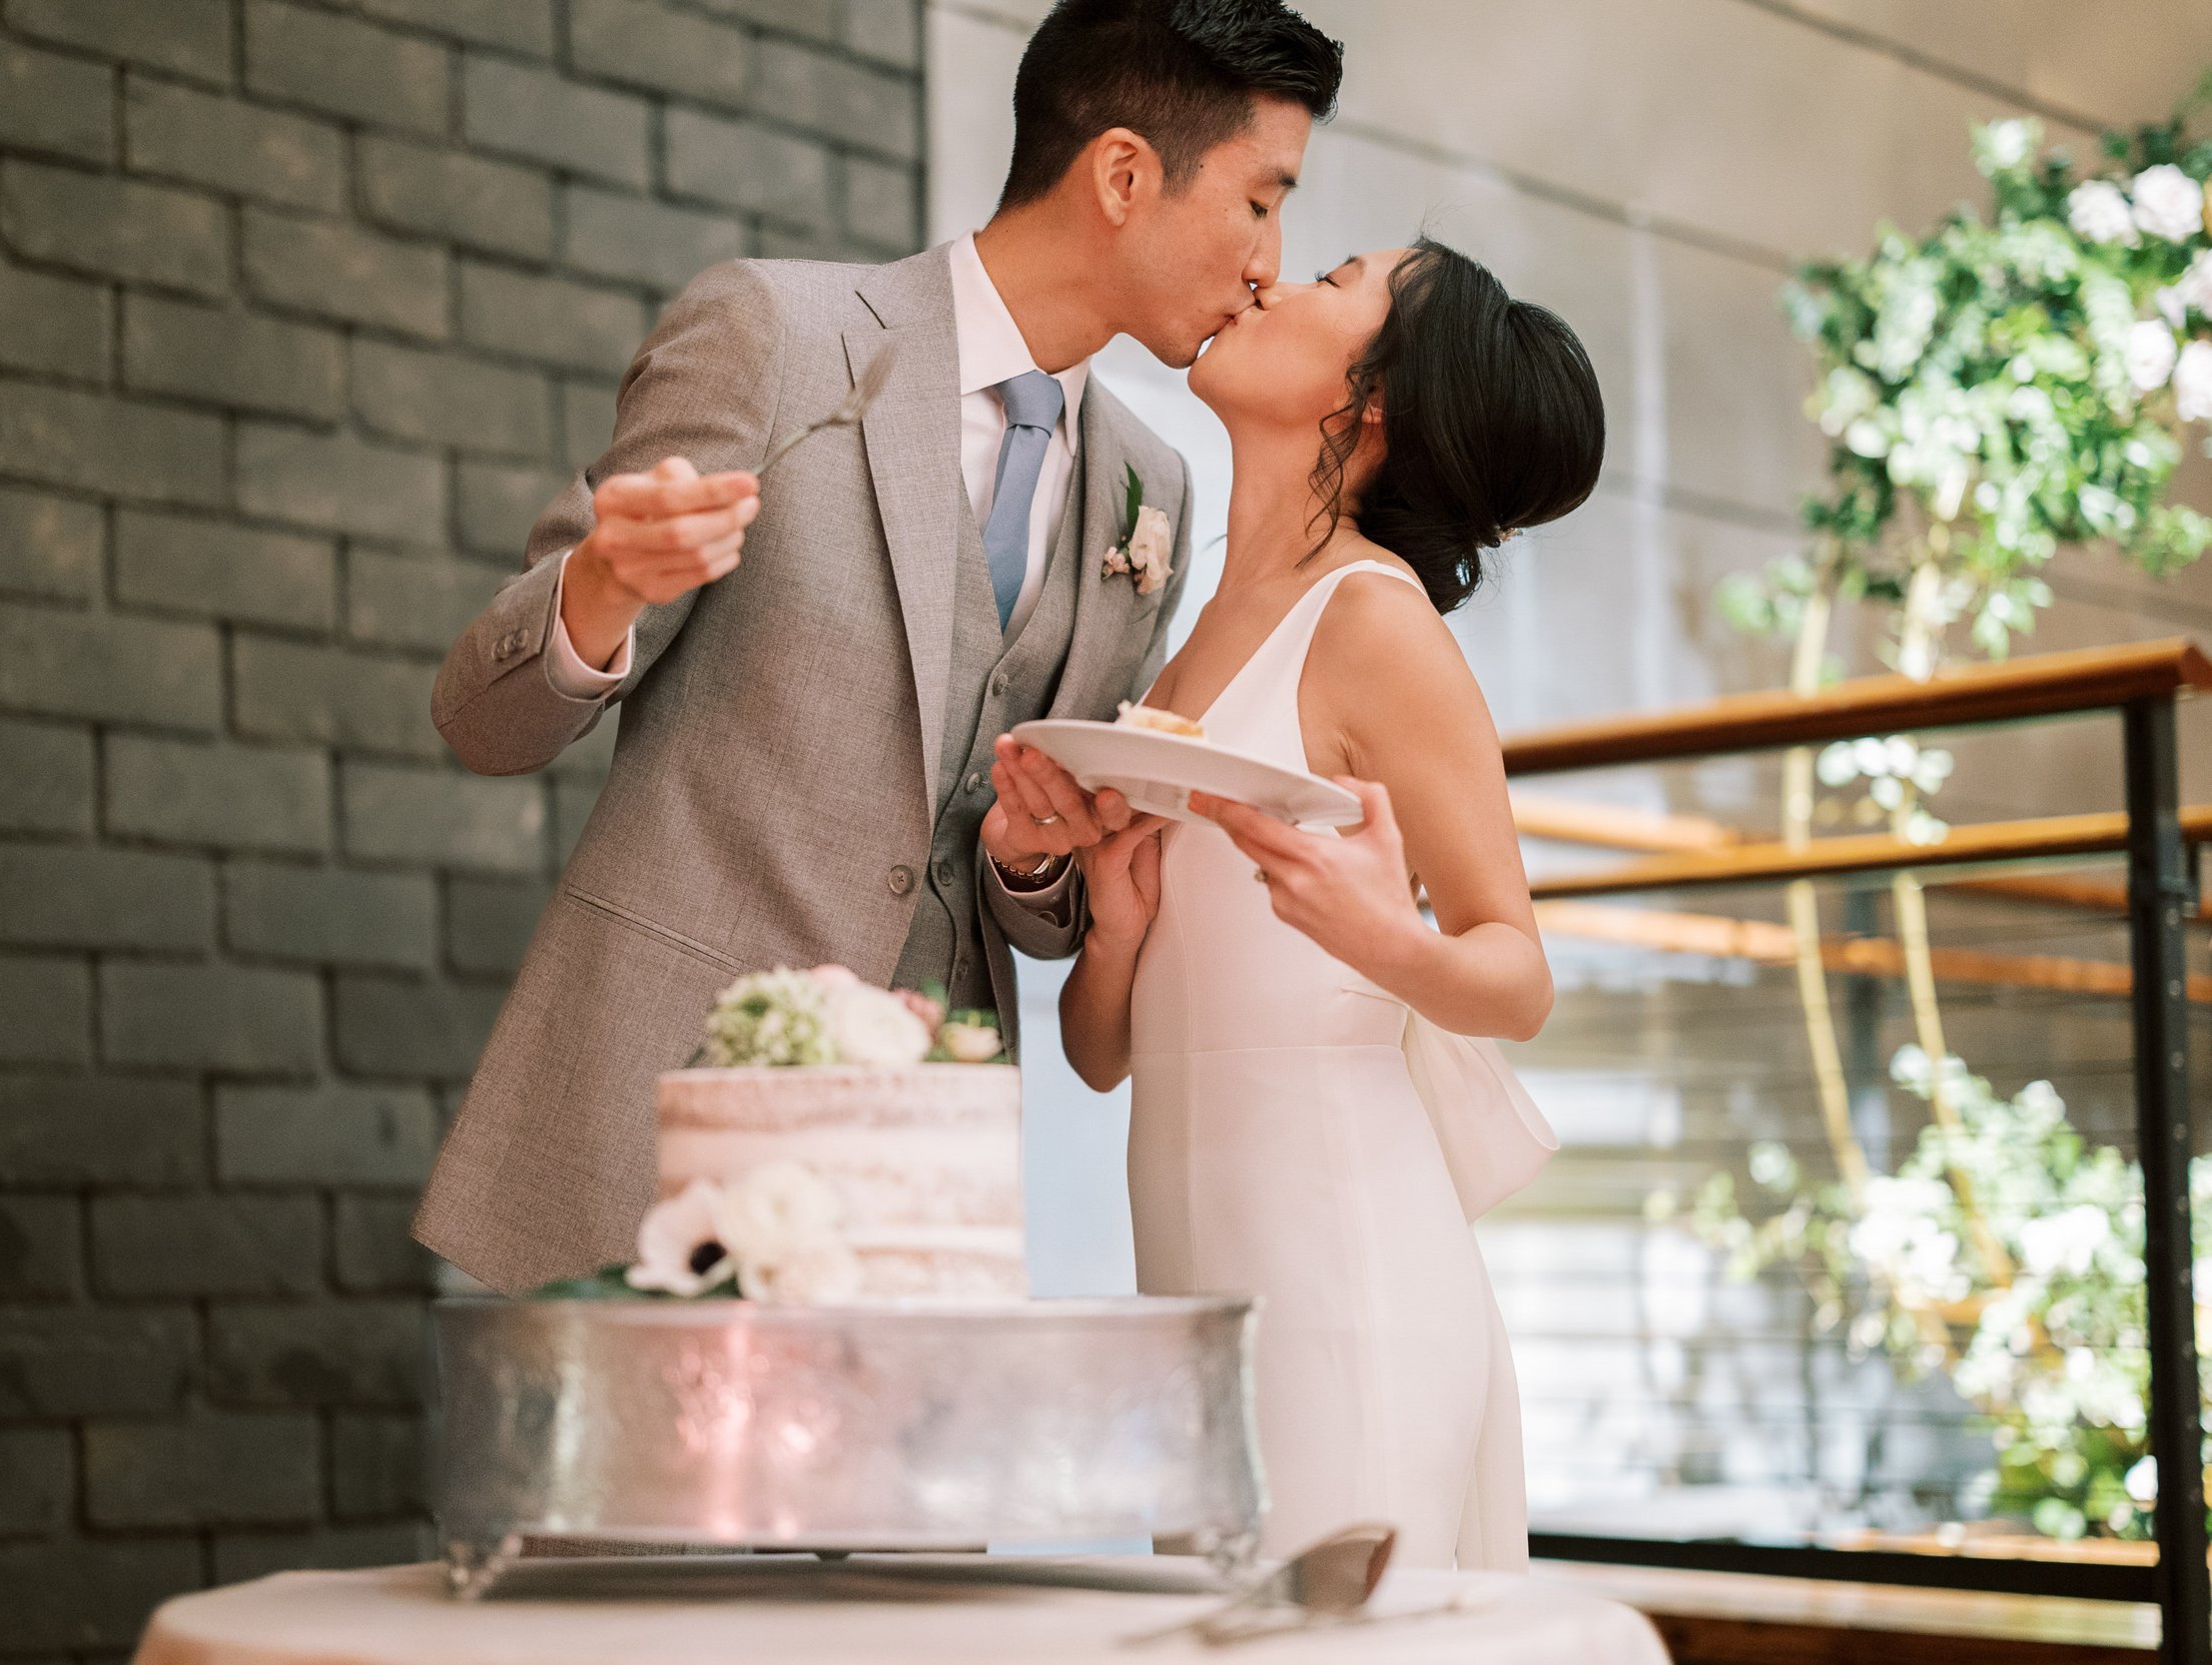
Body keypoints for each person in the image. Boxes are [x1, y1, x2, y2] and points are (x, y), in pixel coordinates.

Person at [414, 0, 1345, 1295]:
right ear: (1125, 174)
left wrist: (1030, 860)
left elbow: (1037, 900)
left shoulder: (1151, 488)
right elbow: (481, 721)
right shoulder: (775, 338)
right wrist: (603, 587)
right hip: (649, 1147)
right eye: (1261, 200)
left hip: (922, 1205)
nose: (1270, 261)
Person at [1044, 239, 1606, 1566]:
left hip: (1347, 1281)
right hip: (1189, 1278)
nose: (1270, 280)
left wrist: (1383, 940)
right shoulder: (1185, 644)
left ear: (1378, 398)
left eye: (1337, 277)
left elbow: (1514, 971)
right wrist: (1115, 932)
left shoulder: (1373, 623)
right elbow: (1100, 1055)